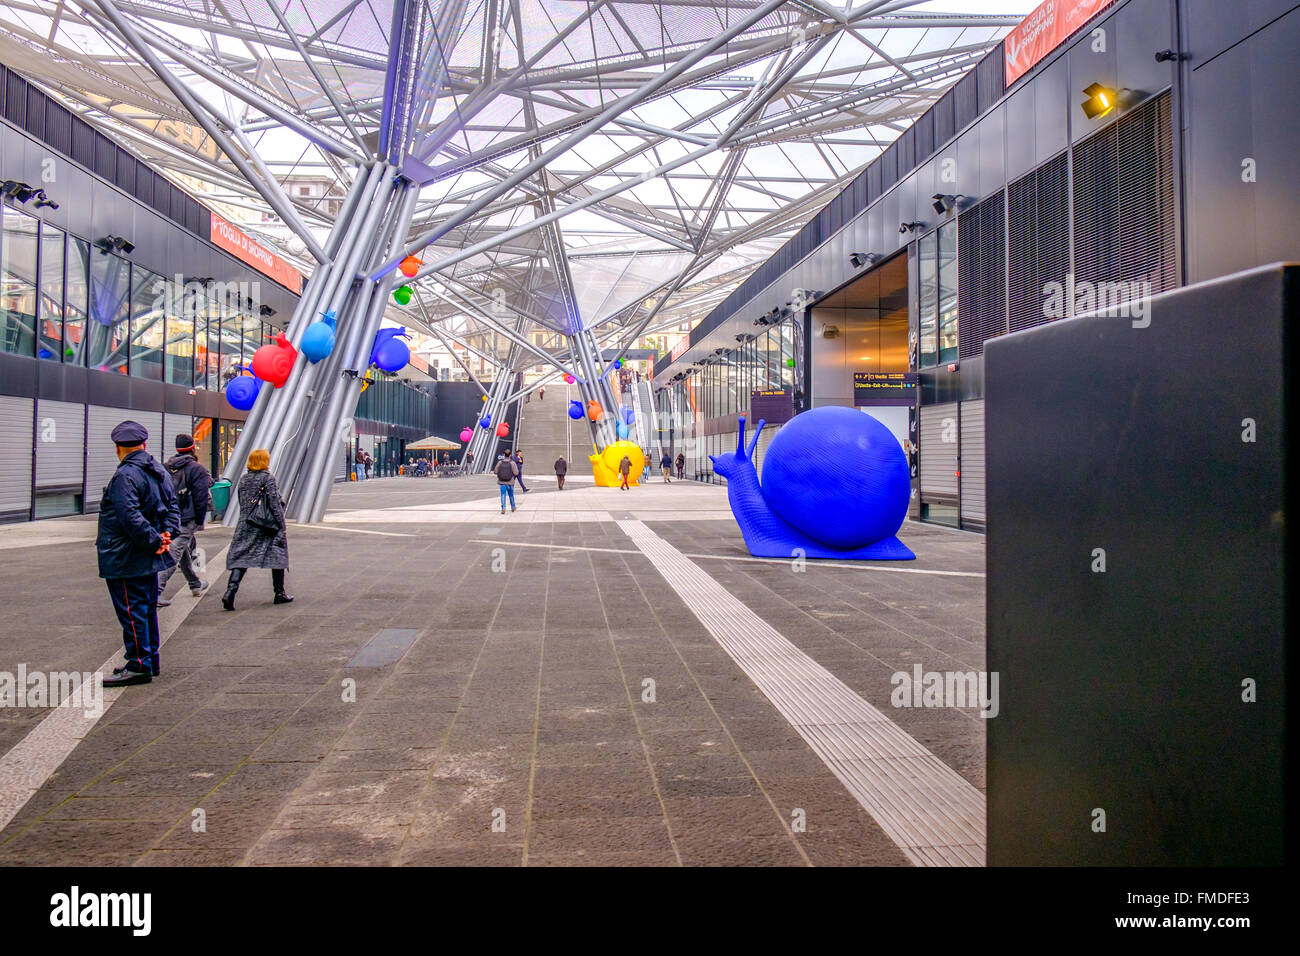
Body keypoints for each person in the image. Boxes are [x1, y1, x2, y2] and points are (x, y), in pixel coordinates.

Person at [98, 421, 180, 687]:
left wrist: (154, 540)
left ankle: (138, 664)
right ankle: (150, 660)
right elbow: (172, 507)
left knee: (132, 612)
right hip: (147, 555)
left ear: (118, 448)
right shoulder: (158, 471)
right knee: (145, 610)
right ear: (144, 444)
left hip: (125, 556)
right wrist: (166, 535)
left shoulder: (125, 476)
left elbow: (129, 516)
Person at [222, 448, 292, 610]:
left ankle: (230, 591)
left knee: (241, 557)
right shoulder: (268, 479)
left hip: (247, 523)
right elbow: (274, 504)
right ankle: (279, 593)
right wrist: (282, 525)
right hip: (267, 525)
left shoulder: (244, 479)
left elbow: (241, 501)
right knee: (277, 553)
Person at [156, 434, 212, 607]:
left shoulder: (165, 467)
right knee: (174, 553)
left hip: (169, 516)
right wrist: (199, 521)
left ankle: (195, 584)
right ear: (192, 447)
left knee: (183, 550)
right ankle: (156, 590)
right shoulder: (196, 468)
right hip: (187, 518)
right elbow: (201, 497)